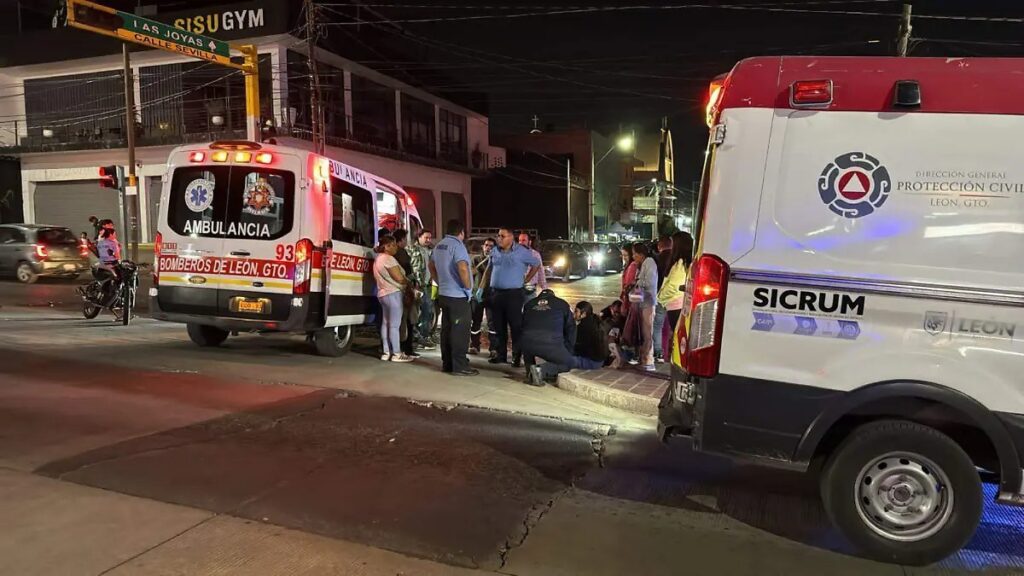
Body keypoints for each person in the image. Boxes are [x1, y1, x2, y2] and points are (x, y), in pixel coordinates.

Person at [429, 219, 477, 376]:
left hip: (444, 294)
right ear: (461, 232)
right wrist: (468, 286)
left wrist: (439, 280)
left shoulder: (439, 245)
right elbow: (463, 267)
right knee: (460, 332)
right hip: (458, 297)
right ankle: (460, 366)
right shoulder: (458, 246)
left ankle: (448, 363)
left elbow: (431, 265)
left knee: (447, 330)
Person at [488, 226, 541, 367]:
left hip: (513, 294)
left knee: (515, 327)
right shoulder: (494, 251)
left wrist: (526, 279)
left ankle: (516, 356)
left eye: (502, 236)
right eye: (498, 235)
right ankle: (501, 355)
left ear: (511, 238)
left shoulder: (522, 252)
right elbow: (490, 269)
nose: (499, 238)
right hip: (496, 293)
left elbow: (536, 264)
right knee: (499, 326)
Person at [520, 288, 576, 386]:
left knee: (528, 339)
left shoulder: (529, 304)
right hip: (551, 344)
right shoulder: (562, 304)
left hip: (528, 344)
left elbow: (523, 327)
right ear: (553, 296)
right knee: (567, 363)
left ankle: (530, 369)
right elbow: (571, 328)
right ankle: (541, 370)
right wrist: (569, 350)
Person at [373, 235, 414, 363]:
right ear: (386, 246)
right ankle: (396, 353)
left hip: (382, 294)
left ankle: (386, 352)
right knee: (395, 325)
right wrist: (408, 282)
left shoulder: (378, 259)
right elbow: (399, 278)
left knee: (385, 323)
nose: (396, 247)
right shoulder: (388, 259)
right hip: (393, 293)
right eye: (393, 245)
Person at [658, 231, 694, 355]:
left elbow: (673, 286)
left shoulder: (680, 263)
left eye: (673, 243)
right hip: (677, 302)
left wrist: (660, 298)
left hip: (675, 303)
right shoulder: (686, 262)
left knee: (678, 336)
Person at [408, 229, 436, 350]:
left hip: (428, 285)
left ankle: (424, 336)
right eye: (426, 237)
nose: (428, 240)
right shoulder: (411, 249)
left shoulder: (431, 251)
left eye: (430, 238)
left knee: (428, 312)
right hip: (416, 285)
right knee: (414, 312)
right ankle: (415, 336)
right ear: (419, 237)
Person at [633, 242, 659, 371]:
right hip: (645, 301)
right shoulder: (644, 263)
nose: (633, 257)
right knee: (645, 331)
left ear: (640, 254)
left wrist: (638, 282)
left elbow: (649, 282)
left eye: (634, 254)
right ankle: (644, 359)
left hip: (649, 301)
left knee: (647, 331)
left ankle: (649, 360)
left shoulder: (649, 263)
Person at [392, 230, 417, 357]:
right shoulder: (400, 253)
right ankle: (405, 348)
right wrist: (413, 282)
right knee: (407, 321)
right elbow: (407, 272)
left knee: (404, 320)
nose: (406, 241)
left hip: (401, 291)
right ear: (400, 240)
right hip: (404, 290)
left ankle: (405, 347)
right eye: (405, 239)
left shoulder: (393, 254)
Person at [470, 237, 495, 355]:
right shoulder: (476, 260)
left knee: (492, 323)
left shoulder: (496, 261)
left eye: (491, 246)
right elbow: (470, 275)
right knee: (476, 321)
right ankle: (474, 345)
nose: (488, 248)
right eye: (486, 245)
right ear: (482, 246)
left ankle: (494, 348)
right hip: (477, 295)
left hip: (491, 295)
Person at [652, 234, 673, 362]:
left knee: (658, 325)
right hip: (676, 298)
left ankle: (659, 352)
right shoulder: (678, 259)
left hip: (660, 296)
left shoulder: (657, 259)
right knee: (674, 327)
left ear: (660, 246)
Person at [573, 301, 607, 370]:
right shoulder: (596, 321)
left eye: (576, 312)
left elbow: (575, 345)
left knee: (562, 357)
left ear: (584, 314)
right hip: (600, 361)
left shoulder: (584, 326)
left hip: (592, 362)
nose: (574, 314)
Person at [519, 233, 546, 300]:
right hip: (517, 290)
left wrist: (544, 289)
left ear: (529, 242)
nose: (521, 243)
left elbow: (541, 272)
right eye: (519, 240)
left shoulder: (535, 255)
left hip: (530, 289)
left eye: (523, 240)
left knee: (530, 308)